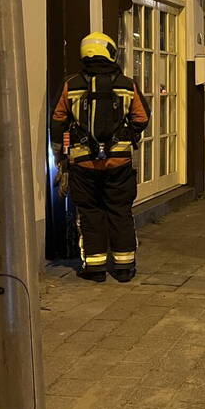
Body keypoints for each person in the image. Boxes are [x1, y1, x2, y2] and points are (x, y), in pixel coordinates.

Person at [51, 32, 150, 283]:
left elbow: (58, 120)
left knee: (89, 213)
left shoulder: (71, 84)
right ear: (110, 52)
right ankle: (124, 267)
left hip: (83, 163)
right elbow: (142, 117)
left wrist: (60, 154)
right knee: (120, 210)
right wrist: (127, 134)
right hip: (119, 162)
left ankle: (95, 268)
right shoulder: (127, 84)